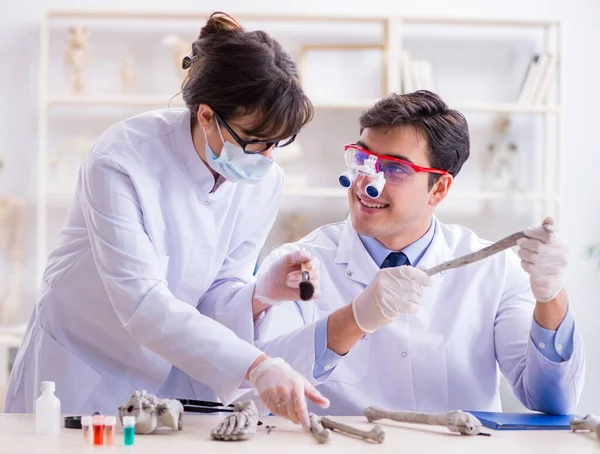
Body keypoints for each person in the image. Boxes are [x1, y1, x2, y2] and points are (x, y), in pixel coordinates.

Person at [5, 12, 329, 428]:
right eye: (254, 141)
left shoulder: (265, 179)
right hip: (83, 365)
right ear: (207, 115)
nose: (267, 157)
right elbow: (143, 302)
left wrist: (257, 294)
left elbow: (215, 291)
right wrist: (258, 366)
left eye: (278, 142)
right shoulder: (121, 160)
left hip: (172, 377)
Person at [243, 90, 585, 415]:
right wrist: (354, 320)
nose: (366, 181)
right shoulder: (297, 265)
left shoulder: (495, 271)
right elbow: (258, 387)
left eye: (394, 169)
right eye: (363, 158)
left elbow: (552, 402)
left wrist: (550, 297)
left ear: (438, 188)